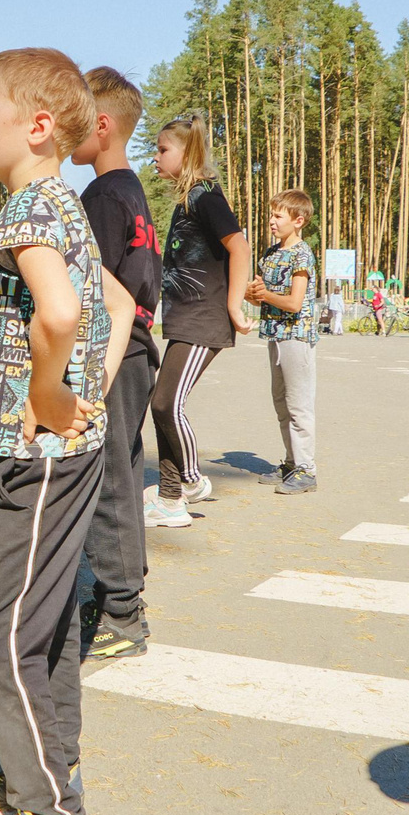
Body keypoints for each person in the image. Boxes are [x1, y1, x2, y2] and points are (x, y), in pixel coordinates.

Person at [0, 48, 130, 815]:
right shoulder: (65, 205)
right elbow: (120, 304)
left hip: (38, 455)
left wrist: (54, 392)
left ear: (38, 125)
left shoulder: (28, 208)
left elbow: (60, 309)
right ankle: (49, 770)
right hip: (66, 451)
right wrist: (83, 387)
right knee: (46, 626)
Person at [71, 66, 160, 660]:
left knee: (108, 480)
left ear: (100, 126)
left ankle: (123, 611)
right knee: (123, 472)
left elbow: (96, 292)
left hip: (114, 352)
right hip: (137, 352)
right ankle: (120, 598)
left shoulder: (102, 195)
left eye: (75, 119)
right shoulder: (132, 189)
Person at [143, 112, 249, 529]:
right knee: (160, 404)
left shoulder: (205, 195)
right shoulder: (188, 200)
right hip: (187, 318)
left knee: (168, 402)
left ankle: (189, 478)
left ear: (187, 154)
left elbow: (239, 247)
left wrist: (236, 306)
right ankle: (170, 500)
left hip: (205, 319)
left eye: (162, 149)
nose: (155, 157)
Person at [248, 190, 319, 494]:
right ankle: (291, 463)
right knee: (282, 405)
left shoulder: (301, 254)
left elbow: (294, 302)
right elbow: (257, 294)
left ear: (298, 220)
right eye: (271, 215)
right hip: (275, 336)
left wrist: (264, 296)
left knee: (299, 406)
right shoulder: (270, 253)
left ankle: (307, 470)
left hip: (296, 337)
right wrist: (251, 294)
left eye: (278, 216)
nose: (271, 222)